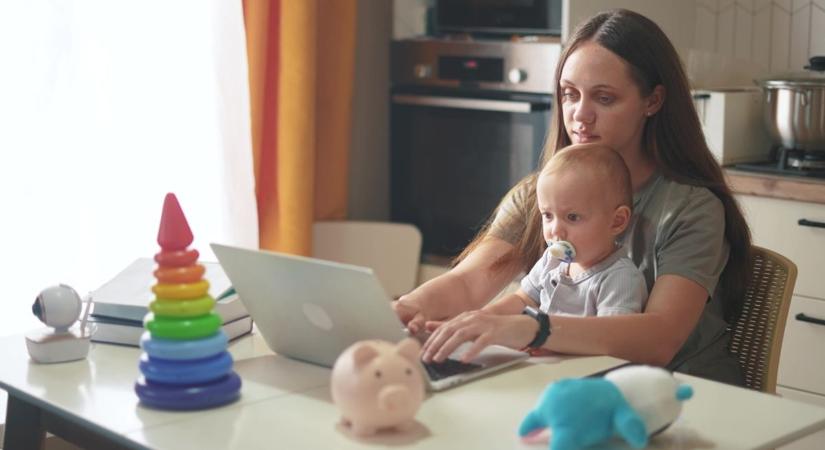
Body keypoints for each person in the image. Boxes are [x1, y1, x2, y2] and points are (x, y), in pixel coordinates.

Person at [395, 8, 751, 385]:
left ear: (653, 101)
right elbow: (469, 283)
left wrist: (536, 329)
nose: (581, 115)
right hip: (582, 386)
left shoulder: (690, 209)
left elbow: (661, 338)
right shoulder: (539, 195)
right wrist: (404, 309)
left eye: (604, 98)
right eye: (570, 95)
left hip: (686, 394)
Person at [482, 143, 647, 325]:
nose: (555, 230)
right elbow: (522, 300)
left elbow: (610, 337)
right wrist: (484, 318)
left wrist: (544, 339)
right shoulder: (551, 261)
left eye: (572, 217)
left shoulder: (619, 278)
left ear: (617, 221)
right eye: (548, 216)